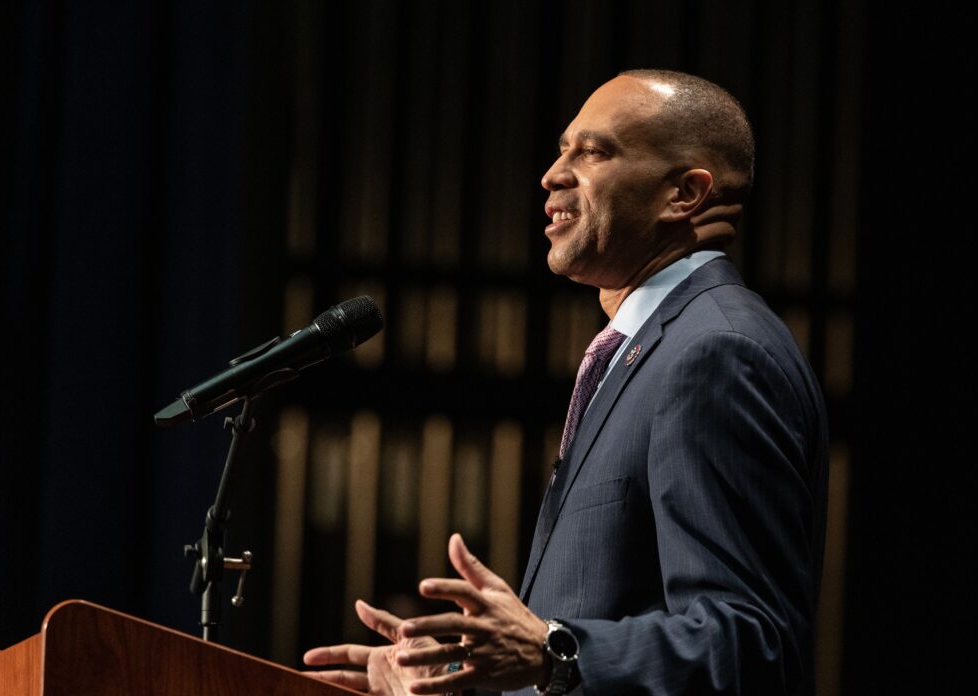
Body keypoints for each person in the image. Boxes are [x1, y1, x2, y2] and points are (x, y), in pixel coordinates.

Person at [303, 69, 828, 696]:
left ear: (684, 194)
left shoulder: (714, 353)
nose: (552, 174)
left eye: (594, 152)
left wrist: (552, 650)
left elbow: (752, 644)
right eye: (562, 148)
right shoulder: (646, 349)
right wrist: (469, 678)